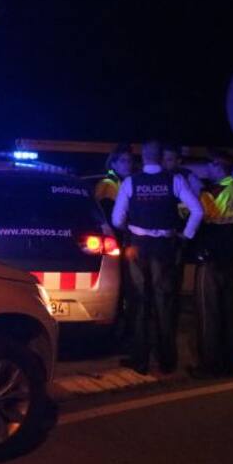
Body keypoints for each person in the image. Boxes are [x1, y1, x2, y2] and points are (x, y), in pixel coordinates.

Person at [113, 139, 203, 374]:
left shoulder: (131, 182)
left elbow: (116, 219)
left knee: (139, 303)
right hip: (164, 248)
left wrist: (129, 228)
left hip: (138, 247)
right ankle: (167, 361)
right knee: (165, 303)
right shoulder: (175, 180)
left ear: (143, 157)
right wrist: (185, 235)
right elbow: (197, 210)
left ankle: (140, 360)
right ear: (161, 157)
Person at [190, 150, 233, 377]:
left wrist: (193, 193)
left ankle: (209, 365)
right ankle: (230, 362)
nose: (207, 168)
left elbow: (191, 216)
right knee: (229, 313)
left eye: (209, 164)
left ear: (218, 166)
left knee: (208, 314)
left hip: (210, 262)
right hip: (232, 262)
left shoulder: (212, 194)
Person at [95, 144, 135, 348]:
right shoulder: (108, 185)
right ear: (113, 163)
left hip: (125, 241)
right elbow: (107, 219)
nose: (129, 164)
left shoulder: (123, 182)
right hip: (115, 243)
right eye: (124, 161)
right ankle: (116, 336)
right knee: (118, 289)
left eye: (130, 160)